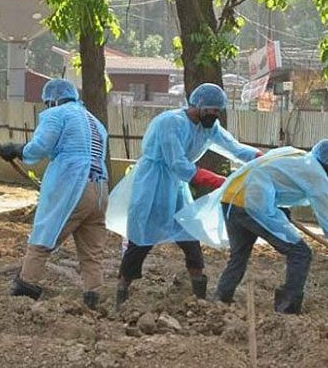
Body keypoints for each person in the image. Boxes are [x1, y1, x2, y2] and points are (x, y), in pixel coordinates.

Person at [110, 83, 261, 309]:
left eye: (218, 111)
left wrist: (261, 158)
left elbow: (234, 148)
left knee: (189, 232)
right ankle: (122, 289)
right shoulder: (171, 123)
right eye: (211, 109)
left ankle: (199, 291)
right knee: (142, 237)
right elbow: (177, 163)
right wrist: (216, 180)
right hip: (153, 184)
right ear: (198, 105)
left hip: (176, 186)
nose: (215, 114)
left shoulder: (209, 128)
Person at [204, 141, 328, 314]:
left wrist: (277, 206)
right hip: (253, 203)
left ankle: (222, 298)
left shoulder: (296, 155)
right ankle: (287, 309)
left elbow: (273, 177)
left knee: (239, 254)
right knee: (300, 253)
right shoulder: (316, 176)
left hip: (231, 197)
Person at [0, 79, 109, 310]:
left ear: (53, 100)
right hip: (100, 190)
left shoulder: (57, 114)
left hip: (74, 186)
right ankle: (94, 295)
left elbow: (41, 146)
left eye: (47, 102)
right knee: (92, 251)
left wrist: (16, 150)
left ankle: (25, 288)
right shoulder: (95, 121)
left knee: (43, 238)